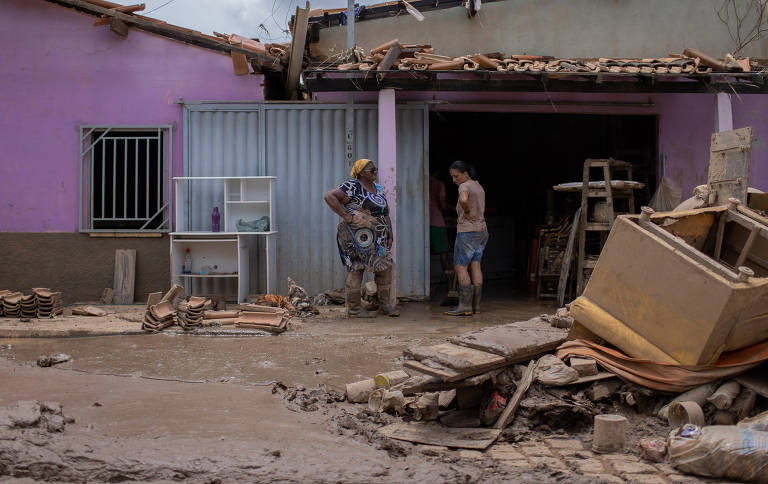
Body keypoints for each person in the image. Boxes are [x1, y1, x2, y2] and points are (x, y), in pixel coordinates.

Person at [323, 158, 399, 318]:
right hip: (357, 237)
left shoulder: (378, 188)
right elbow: (329, 196)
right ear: (361, 173)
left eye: (375, 169)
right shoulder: (353, 186)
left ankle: (384, 306)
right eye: (371, 170)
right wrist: (347, 216)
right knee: (357, 269)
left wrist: (390, 233)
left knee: (384, 268)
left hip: (379, 237)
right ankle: (354, 310)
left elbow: (385, 212)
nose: (375, 171)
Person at [445, 160, 488, 316]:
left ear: (465, 174)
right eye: (452, 177)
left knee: (461, 267)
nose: (454, 180)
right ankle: (476, 306)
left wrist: (468, 212)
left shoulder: (464, 186)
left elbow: (463, 200)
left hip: (467, 232)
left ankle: (464, 306)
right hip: (482, 231)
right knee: (476, 265)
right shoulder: (478, 186)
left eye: (456, 176)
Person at [429, 170, 450, 274]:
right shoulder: (439, 184)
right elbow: (443, 205)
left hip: (421, 222)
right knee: (443, 255)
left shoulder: (420, 183)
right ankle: (449, 281)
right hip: (436, 222)